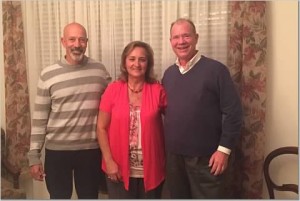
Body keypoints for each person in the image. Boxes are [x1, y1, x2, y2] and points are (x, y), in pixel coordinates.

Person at [27, 22, 111, 199]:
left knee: (89, 197)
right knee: (58, 197)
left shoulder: (100, 71)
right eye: (72, 39)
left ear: (86, 42)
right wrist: (34, 156)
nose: (77, 44)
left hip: (90, 151)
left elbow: (112, 109)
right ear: (63, 41)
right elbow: (39, 119)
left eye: (81, 39)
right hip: (57, 152)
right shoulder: (48, 75)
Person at [162, 18, 243, 199]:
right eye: (176, 37)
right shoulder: (168, 74)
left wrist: (224, 150)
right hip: (174, 159)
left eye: (186, 36)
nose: (181, 42)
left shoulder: (216, 71)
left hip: (207, 160)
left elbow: (234, 112)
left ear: (196, 38)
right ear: (170, 42)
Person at [97, 41, 167, 199]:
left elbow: (175, 120)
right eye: (132, 59)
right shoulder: (112, 90)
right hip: (118, 169)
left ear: (148, 63)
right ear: (124, 62)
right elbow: (101, 128)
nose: (137, 64)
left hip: (152, 170)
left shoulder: (158, 90)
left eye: (142, 59)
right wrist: (108, 161)